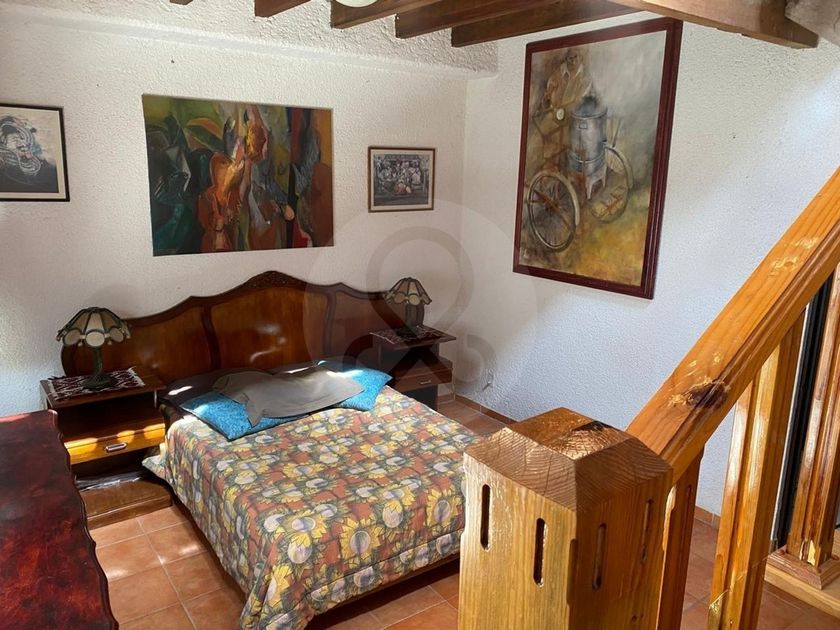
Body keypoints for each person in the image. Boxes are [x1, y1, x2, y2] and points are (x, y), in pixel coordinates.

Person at [0, 115, 59, 194]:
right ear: (4, 142)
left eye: (21, 138)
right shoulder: (6, 170)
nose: (21, 142)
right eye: (15, 139)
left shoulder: (46, 167)